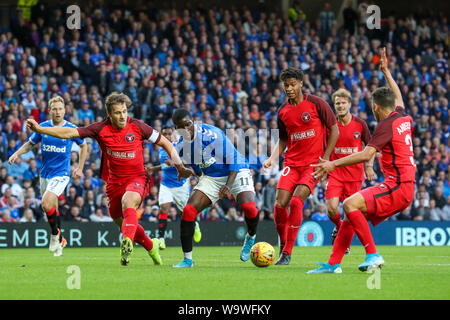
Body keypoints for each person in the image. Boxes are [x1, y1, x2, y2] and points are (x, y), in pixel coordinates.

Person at [26, 92, 195, 266]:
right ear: (109, 114)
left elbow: (165, 143)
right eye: (117, 112)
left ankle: (126, 243)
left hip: (137, 177)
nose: (122, 116)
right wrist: (40, 129)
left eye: (124, 111)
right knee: (123, 221)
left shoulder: (138, 126)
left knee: (129, 203)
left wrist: (179, 165)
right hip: (114, 183)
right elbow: (69, 132)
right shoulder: (100, 128)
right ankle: (151, 246)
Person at [308, 48, 416, 273]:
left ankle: (373, 254)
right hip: (404, 186)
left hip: (397, 186)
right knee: (350, 212)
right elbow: (398, 97)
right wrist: (386, 72)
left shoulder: (386, 125)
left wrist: (332, 164)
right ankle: (333, 264)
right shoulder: (403, 116)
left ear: (376, 107)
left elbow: (367, 155)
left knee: (349, 204)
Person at [262, 67, 339, 265]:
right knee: (279, 205)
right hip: (291, 163)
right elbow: (283, 141)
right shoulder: (283, 112)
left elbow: (334, 130)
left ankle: (287, 253)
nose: (289, 88)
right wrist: (271, 159)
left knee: (296, 202)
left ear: (301, 84)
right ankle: (283, 244)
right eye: (286, 85)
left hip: (313, 165)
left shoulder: (317, 103)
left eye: (293, 84)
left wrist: (326, 159)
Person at [171, 108, 260, 268]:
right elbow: (197, 170)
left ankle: (251, 237)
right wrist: (189, 173)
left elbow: (232, 158)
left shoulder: (211, 134)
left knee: (250, 208)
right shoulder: (182, 146)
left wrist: (228, 185)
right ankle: (187, 260)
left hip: (236, 170)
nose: (187, 129)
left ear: (193, 121)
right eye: (181, 127)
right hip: (212, 177)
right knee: (188, 211)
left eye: (188, 124)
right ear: (176, 129)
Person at [9, 95, 87, 257]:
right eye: (55, 109)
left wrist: (79, 167)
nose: (58, 112)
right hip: (44, 174)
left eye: (60, 109)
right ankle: (61, 239)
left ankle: (53, 236)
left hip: (62, 174)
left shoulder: (70, 128)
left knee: (46, 203)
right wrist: (17, 153)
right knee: (51, 208)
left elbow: (84, 144)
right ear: (50, 111)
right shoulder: (42, 127)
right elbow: (30, 143)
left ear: (65, 110)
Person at [325, 88, 374, 254]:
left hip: (355, 176)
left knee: (350, 213)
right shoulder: (330, 126)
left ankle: (344, 242)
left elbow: (371, 146)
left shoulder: (360, 124)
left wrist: (369, 166)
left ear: (349, 104)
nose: (340, 106)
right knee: (331, 208)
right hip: (336, 174)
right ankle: (338, 228)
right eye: (337, 103)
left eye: (343, 103)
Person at [146, 125, 201, 250]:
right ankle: (161, 239)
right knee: (164, 208)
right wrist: (154, 169)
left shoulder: (179, 147)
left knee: (186, 213)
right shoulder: (161, 150)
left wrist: (174, 162)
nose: (166, 136)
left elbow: (186, 163)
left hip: (180, 185)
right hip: (166, 184)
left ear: (173, 135)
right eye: (164, 134)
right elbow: (166, 166)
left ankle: (195, 225)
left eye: (168, 134)